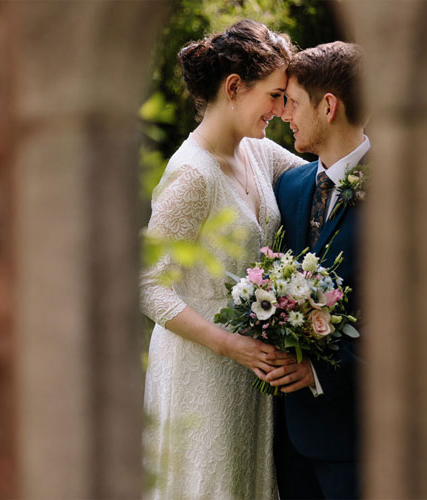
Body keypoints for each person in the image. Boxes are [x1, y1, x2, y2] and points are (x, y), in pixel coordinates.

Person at [140, 20, 305, 500]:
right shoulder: (191, 174)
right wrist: (228, 345)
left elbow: (324, 175)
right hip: (200, 371)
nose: (281, 109)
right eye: (275, 96)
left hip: (248, 377)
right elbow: (147, 284)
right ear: (234, 87)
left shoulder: (256, 151)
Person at [268, 41, 369, 499]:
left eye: (290, 100)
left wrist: (322, 373)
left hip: (361, 441)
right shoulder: (288, 186)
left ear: (328, 106)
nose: (284, 113)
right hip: (289, 440)